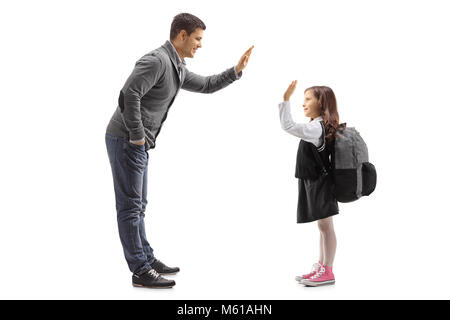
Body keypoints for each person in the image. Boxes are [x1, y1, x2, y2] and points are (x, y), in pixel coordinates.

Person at [105, 13, 253, 289]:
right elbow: (128, 94)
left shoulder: (177, 66)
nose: (200, 44)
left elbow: (207, 85)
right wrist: (137, 136)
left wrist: (236, 71)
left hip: (137, 143)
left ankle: (146, 258)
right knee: (129, 207)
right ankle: (140, 269)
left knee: (139, 206)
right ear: (181, 35)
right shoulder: (157, 60)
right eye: (197, 39)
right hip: (125, 139)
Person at [278, 81, 345, 287]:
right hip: (316, 181)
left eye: (308, 99)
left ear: (321, 102)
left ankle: (328, 270)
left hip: (320, 182)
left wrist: (285, 100)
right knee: (323, 226)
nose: (303, 104)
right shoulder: (318, 125)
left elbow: (288, 126)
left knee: (326, 226)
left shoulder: (316, 127)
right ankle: (322, 266)